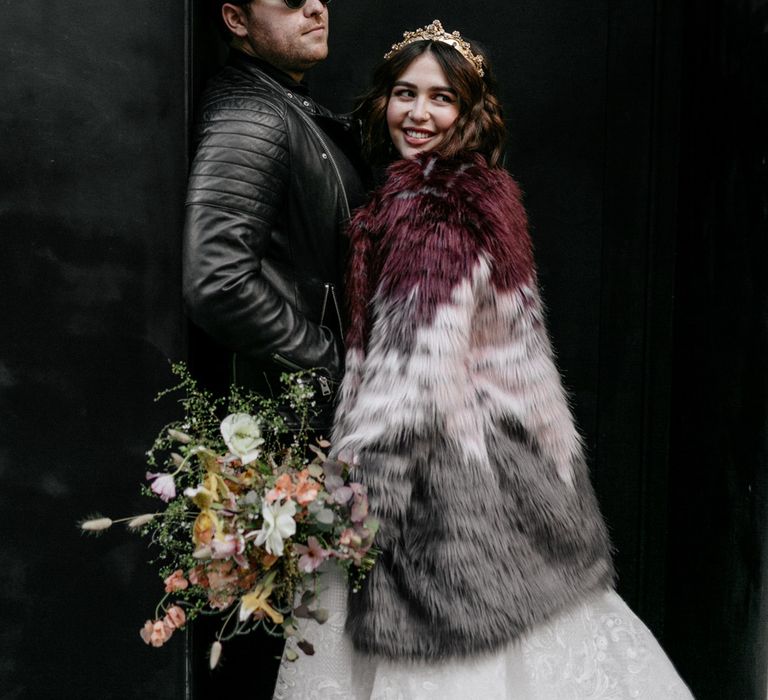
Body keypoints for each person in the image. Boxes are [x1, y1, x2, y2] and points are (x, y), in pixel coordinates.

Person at [272, 20, 696, 700]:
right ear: (383, 99)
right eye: (405, 93)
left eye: (441, 99)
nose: (418, 113)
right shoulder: (478, 194)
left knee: (441, 649)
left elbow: (412, 380)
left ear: (470, 112)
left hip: (438, 477)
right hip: (502, 459)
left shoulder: (428, 209)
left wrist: (355, 502)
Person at [182, 1, 366, 695]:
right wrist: (329, 361)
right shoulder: (251, 115)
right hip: (281, 433)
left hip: (304, 435)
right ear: (234, 18)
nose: (316, 5)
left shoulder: (280, 101)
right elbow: (217, 280)